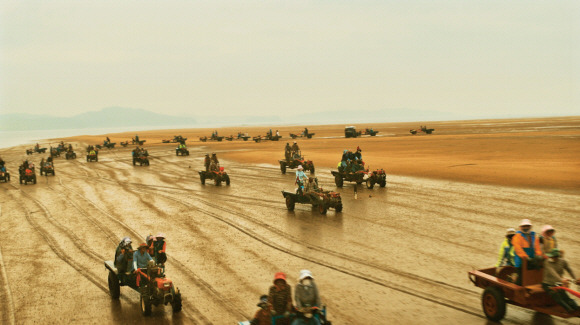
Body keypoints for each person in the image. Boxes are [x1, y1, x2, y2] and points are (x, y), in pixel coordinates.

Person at [542, 248, 580, 313]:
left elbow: (569, 270)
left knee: (566, 296)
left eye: (553, 257)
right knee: (558, 297)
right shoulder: (547, 262)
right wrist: (562, 280)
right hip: (548, 284)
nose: (551, 257)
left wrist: (575, 279)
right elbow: (553, 273)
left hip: (558, 283)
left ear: (556, 257)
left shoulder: (563, 261)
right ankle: (569, 310)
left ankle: (576, 308)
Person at [512, 219, 544, 284]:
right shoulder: (517, 237)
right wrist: (526, 257)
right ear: (520, 227)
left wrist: (539, 256)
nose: (526, 228)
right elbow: (518, 249)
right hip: (521, 262)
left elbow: (537, 248)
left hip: (532, 261)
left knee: (533, 278)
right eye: (524, 226)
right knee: (521, 280)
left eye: (527, 226)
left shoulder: (534, 236)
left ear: (530, 227)